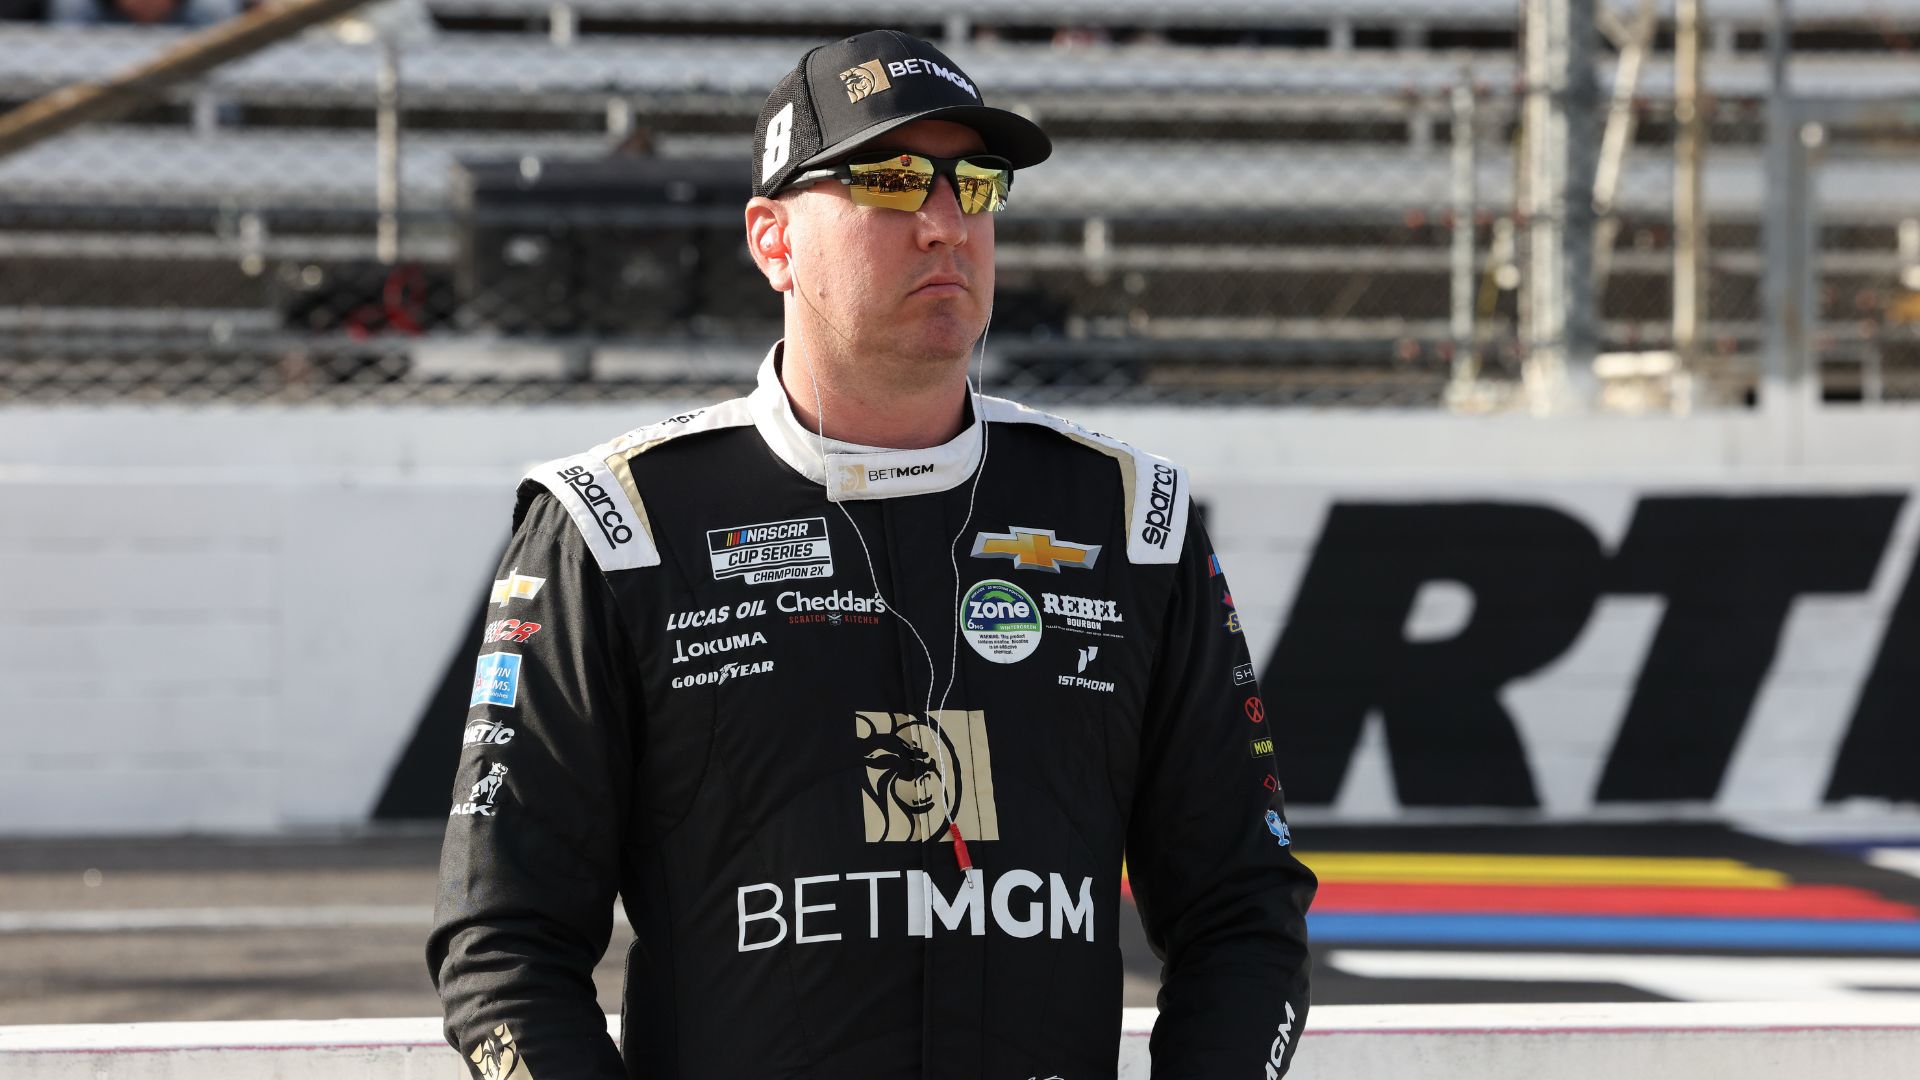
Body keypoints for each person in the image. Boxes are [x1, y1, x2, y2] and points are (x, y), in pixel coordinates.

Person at [428, 28, 1314, 1080]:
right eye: (891, 182)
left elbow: (1244, 912)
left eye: (975, 184)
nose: (945, 224)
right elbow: (502, 953)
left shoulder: (1133, 519)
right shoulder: (614, 526)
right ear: (773, 241)